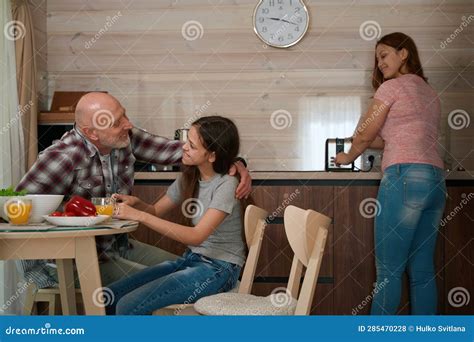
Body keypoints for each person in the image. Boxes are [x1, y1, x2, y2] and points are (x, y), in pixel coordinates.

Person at [16, 92, 252, 289]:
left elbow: (189, 151)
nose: (128, 125)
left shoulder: (123, 137)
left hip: (118, 247)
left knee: (191, 271)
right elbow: (18, 210)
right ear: (92, 133)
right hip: (73, 261)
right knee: (158, 286)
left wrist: (232, 162)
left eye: (124, 115)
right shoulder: (62, 157)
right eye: (118, 122)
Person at [334, 32, 446, 315]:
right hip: (434, 181)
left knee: (388, 271)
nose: (380, 63)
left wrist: (348, 155)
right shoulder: (429, 93)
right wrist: (358, 138)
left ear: (404, 53)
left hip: (404, 178)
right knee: (422, 269)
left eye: (384, 55)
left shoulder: (390, 87)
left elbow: (366, 134)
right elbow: (394, 137)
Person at [105, 116, 245, 315]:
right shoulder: (190, 176)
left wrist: (139, 215)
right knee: (109, 296)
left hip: (219, 269)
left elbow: (196, 236)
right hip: (191, 260)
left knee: (127, 305)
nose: (184, 147)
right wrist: (138, 204)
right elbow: (155, 211)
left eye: (192, 146)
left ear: (212, 156)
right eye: (187, 141)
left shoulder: (226, 184)